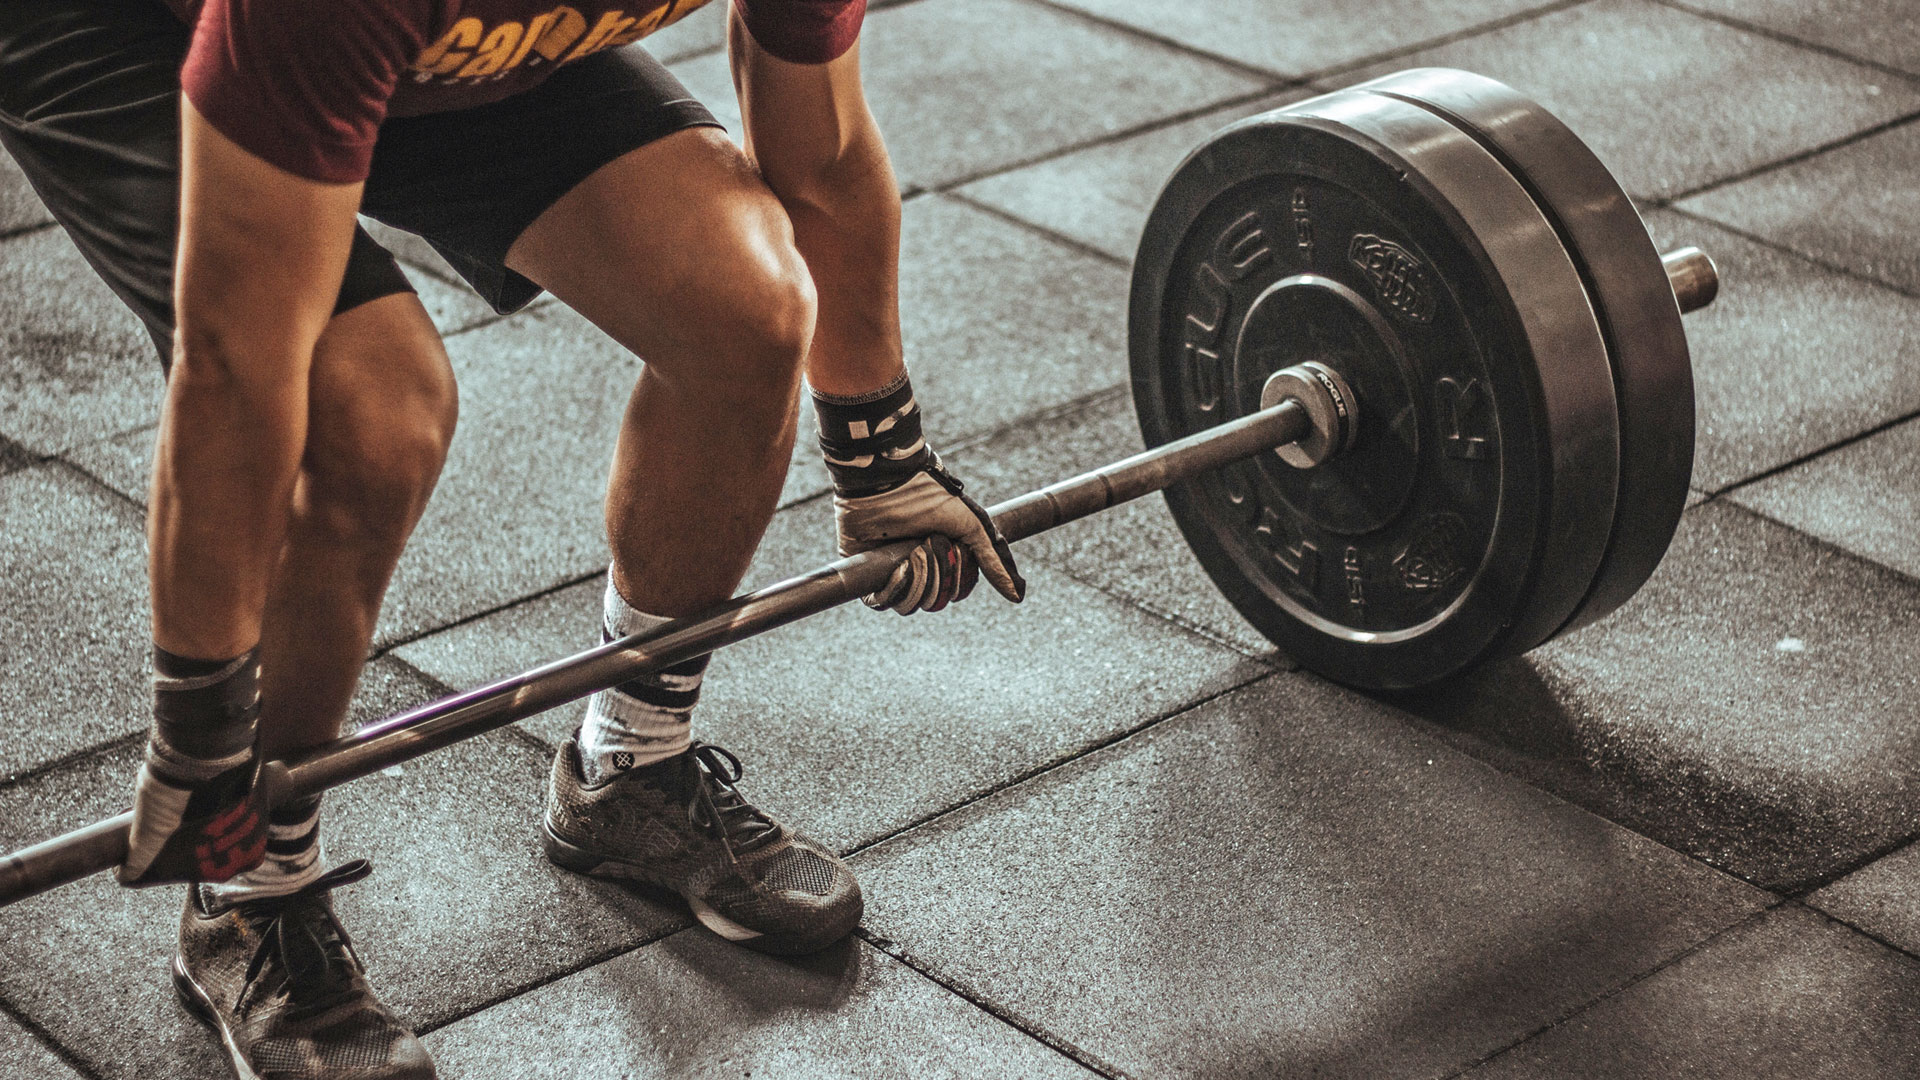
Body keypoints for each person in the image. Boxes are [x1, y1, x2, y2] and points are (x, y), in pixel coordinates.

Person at [0, 0, 1025, 1076]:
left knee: (747, 305)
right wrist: (203, 728)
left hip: (433, 46)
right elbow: (237, 367)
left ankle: (630, 764)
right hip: (130, 33)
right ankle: (249, 889)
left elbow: (824, 158)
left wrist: (882, 458)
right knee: (366, 411)